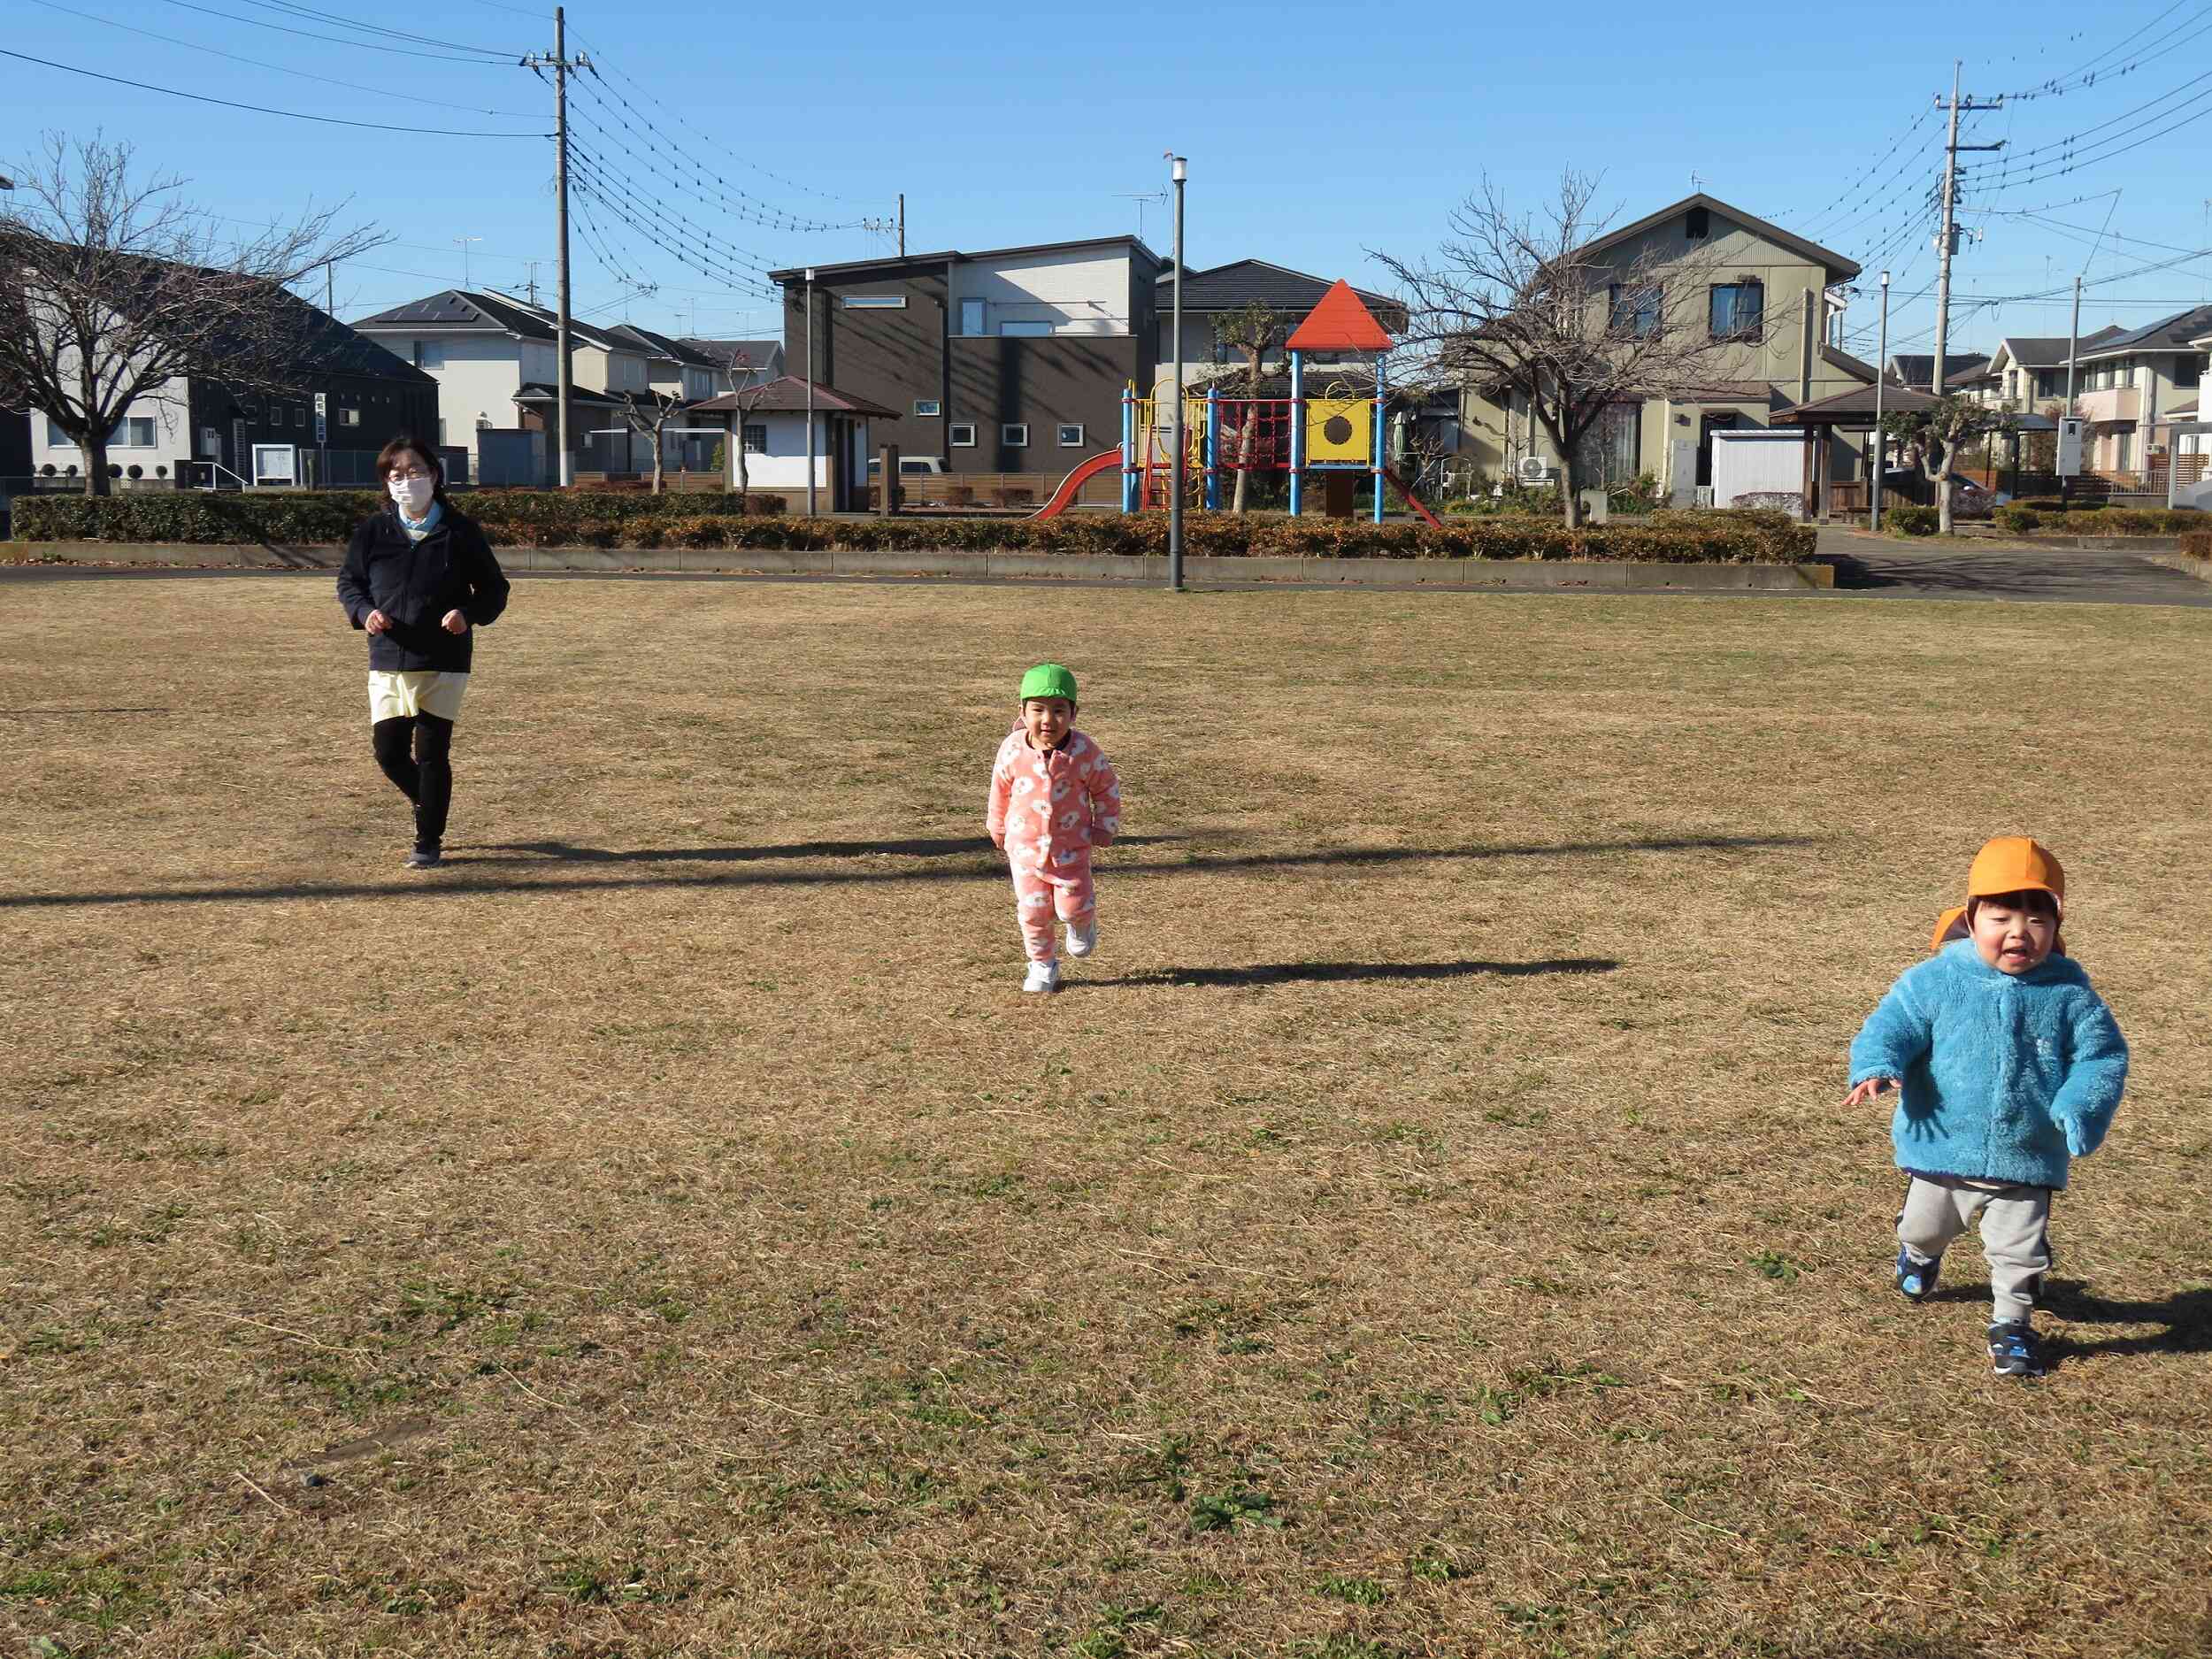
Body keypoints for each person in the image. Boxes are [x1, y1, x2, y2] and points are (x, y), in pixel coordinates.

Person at [1844, 837, 2128, 1379]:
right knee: (1925, 1229)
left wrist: (2078, 1103)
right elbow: (1893, 1025)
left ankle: (2012, 1327)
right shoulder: (1935, 981)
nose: (2018, 933)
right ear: (1972, 922)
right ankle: (1921, 1256)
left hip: (2027, 1154)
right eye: (2000, 919)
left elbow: (2102, 1057)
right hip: (1944, 1146)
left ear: (2056, 926)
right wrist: (1879, 1064)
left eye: (2036, 922)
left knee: (2018, 1254)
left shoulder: (2071, 995)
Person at [335, 437, 510, 868]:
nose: (406, 481)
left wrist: (467, 614)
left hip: (443, 660)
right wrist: (364, 612)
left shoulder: (459, 530)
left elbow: (495, 590)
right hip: (389, 656)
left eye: (414, 472)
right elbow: (350, 583)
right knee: (388, 752)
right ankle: (428, 802)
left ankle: (427, 840)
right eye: (396, 475)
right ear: (386, 484)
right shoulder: (374, 531)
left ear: (434, 475)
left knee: (432, 754)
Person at [985, 664, 1121, 994]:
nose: (1048, 720)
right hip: (1025, 850)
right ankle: (1043, 965)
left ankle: (1082, 924)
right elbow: (999, 788)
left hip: (1070, 848)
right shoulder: (1014, 748)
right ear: (1023, 711)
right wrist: (997, 824)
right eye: (1038, 711)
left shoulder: (1084, 751)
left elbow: (1106, 787)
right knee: (1033, 912)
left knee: (1071, 906)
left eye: (1059, 711)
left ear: (1073, 713)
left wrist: (1104, 824)